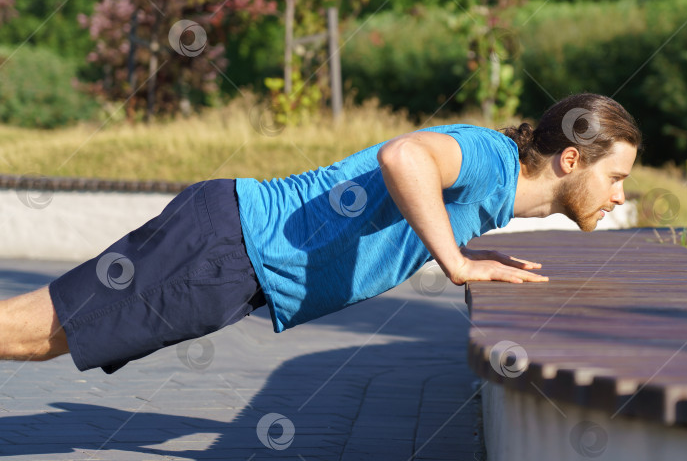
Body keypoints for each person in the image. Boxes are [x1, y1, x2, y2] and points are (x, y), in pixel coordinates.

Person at [0, 92, 641, 374]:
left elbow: (412, 192)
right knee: (43, 332)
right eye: (617, 177)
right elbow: (403, 159)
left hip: (229, 249)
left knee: (52, 334)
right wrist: (457, 263)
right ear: (571, 159)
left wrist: (462, 242)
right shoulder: (491, 158)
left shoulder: (494, 180)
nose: (620, 196)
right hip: (228, 249)